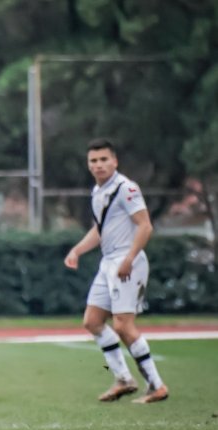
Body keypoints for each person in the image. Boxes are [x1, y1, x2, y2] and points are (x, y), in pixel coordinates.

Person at [64, 138, 168, 404]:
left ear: (115, 161)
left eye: (103, 159)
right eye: (93, 161)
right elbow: (101, 230)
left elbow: (145, 226)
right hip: (108, 261)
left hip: (127, 261)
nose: (98, 165)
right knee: (92, 321)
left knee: (123, 325)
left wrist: (129, 258)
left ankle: (156, 386)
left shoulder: (126, 188)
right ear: (88, 165)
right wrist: (76, 250)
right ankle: (123, 378)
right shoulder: (98, 192)